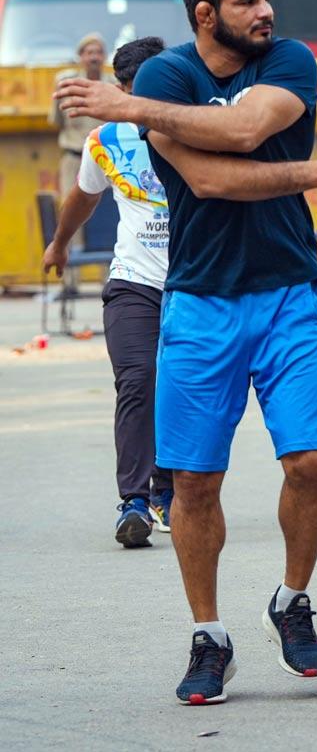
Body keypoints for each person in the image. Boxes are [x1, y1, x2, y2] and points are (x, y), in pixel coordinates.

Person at [54, 0, 317, 704]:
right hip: (201, 300)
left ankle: (291, 601)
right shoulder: (166, 75)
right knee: (197, 483)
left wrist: (136, 113)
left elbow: (243, 135)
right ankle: (209, 636)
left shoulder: (290, 61)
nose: (266, 11)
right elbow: (206, 180)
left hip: (289, 294)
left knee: (308, 464)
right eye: (248, 1)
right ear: (207, 14)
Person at [43, 37, 172, 549]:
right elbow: (83, 195)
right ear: (120, 90)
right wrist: (59, 244)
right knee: (137, 381)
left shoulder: (196, 130)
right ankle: (135, 502)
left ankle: (169, 490)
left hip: (195, 283)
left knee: (181, 390)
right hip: (134, 283)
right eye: (137, 92)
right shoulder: (106, 140)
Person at [49, 34, 118, 205]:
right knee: (71, 209)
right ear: (80, 57)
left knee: (108, 212)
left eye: (98, 52)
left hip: (107, 160)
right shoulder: (66, 84)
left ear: (104, 57)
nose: (94, 57)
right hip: (75, 159)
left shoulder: (115, 86)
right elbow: (57, 121)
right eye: (89, 52)